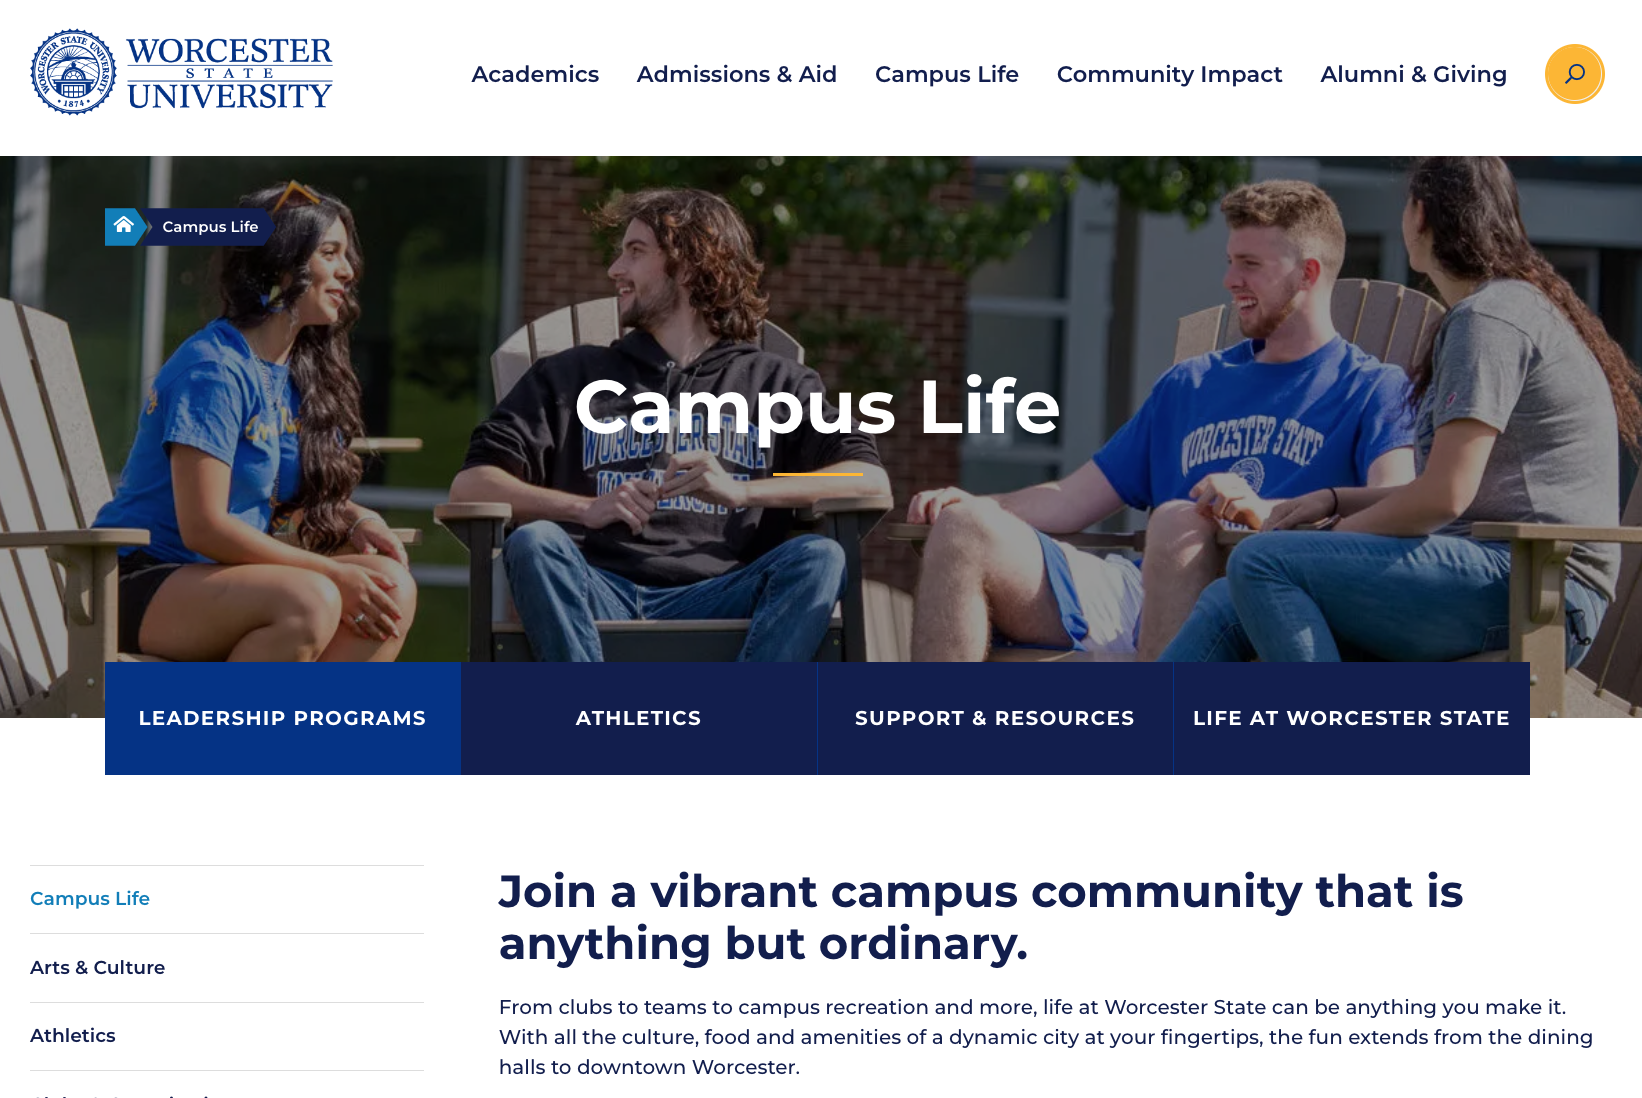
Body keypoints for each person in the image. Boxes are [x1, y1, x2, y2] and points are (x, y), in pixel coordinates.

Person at [905, 180, 1415, 662]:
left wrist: (1269, 511)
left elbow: (1397, 504)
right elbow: (1073, 498)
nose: (1230, 279)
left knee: (1178, 519)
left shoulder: (1372, 388)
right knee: (964, 529)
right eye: (1230, 261)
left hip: (1251, 608)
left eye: (1250, 264)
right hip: (1144, 589)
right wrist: (977, 504)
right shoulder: (1191, 383)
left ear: (1306, 273)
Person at [1161, 156, 1638, 665]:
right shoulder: (1507, 308)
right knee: (1226, 599)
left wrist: (1331, 543)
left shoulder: (1491, 319)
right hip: (1510, 579)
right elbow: (1448, 490)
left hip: (1538, 594)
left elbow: (1444, 496)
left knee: (1262, 564)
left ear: (1421, 216)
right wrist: (1334, 498)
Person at [449, 187, 889, 662]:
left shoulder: (777, 383)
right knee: (535, 542)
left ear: (692, 264)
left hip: (725, 595)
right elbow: (471, 485)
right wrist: (585, 509)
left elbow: (867, 480)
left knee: (820, 558)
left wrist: (742, 493)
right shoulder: (568, 377)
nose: (615, 270)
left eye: (635, 252)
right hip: (594, 591)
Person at [93, 180, 416, 661]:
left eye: (346, 256)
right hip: (142, 579)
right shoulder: (214, 369)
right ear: (283, 266)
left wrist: (359, 518)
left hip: (221, 580)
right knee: (309, 601)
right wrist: (331, 573)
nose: (348, 271)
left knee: (391, 588)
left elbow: (288, 488)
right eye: (330, 253)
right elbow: (204, 527)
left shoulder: (294, 372)